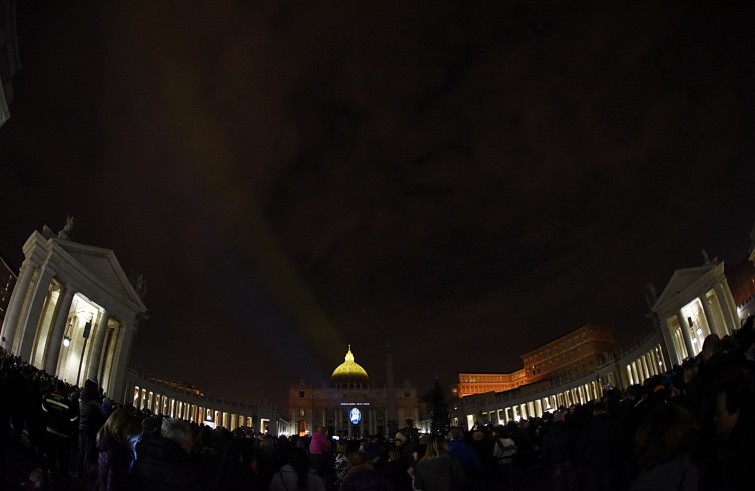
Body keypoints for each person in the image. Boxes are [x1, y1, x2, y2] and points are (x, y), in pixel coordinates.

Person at [132, 417, 206, 490]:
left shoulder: (145, 451)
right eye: (190, 440)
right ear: (182, 443)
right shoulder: (187, 469)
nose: (192, 444)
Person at [95, 408, 141, 490]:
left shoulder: (107, 444)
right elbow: (114, 486)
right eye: (135, 438)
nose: (138, 440)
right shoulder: (119, 455)